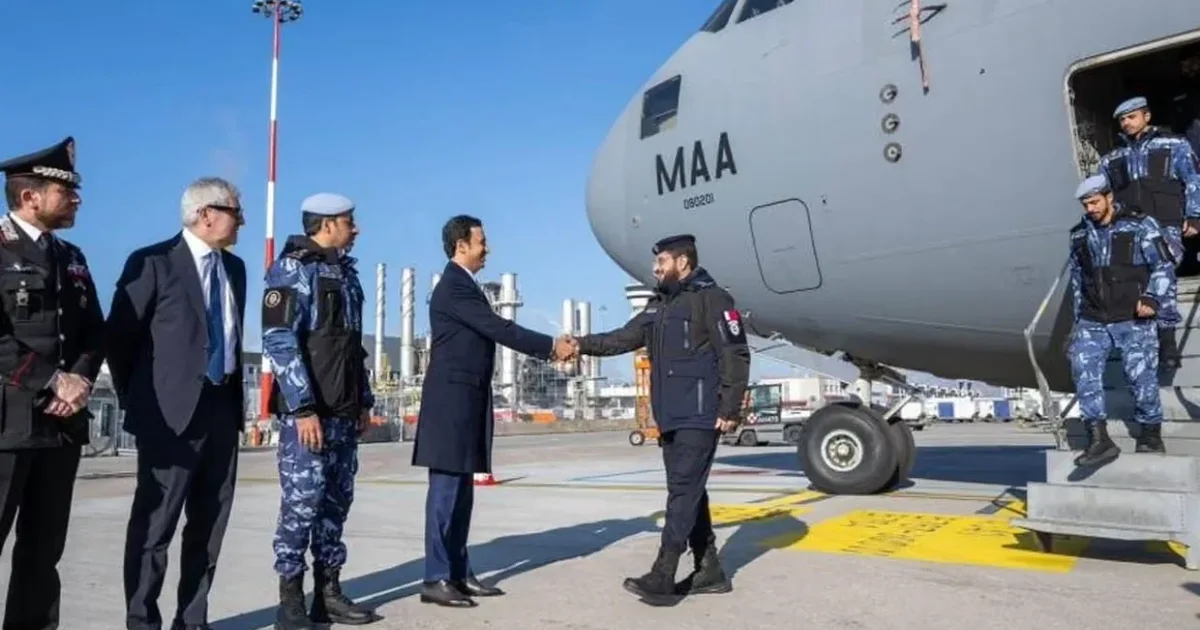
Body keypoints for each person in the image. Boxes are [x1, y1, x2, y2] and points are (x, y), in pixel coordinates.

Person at [562, 234, 750, 605]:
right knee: (688, 491)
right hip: (670, 417)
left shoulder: (713, 299)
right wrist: (579, 343)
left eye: (661, 261)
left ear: (682, 262)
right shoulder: (658, 306)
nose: (655, 268)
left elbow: (736, 353)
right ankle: (709, 570)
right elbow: (622, 338)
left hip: (701, 414)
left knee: (682, 490)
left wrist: (730, 409)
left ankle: (663, 573)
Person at [411, 214, 576, 608]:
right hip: (451, 404)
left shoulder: (466, 286)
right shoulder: (454, 287)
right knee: (446, 493)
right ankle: (436, 576)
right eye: (481, 241)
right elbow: (500, 328)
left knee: (462, 494)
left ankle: (457, 570)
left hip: (467, 401)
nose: (488, 248)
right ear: (460, 245)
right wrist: (552, 346)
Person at [108, 177, 247, 630]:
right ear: (206, 214)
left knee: (209, 524)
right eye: (234, 211)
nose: (241, 220)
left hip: (222, 409)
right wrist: (139, 400)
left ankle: (193, 620)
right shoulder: (153, 262)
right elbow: (121, 339)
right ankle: (141, 620)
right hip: (170, 417)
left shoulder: (236, 270)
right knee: (155, 528)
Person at [261, 193, 380, 629]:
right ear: (327, 225)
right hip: (308, 415)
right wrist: (303, 406)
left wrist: (363, 401)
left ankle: (327, 594)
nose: (357, 228)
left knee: (336, 504)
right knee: (301, 504)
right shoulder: (292, 269)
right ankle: (289, 600)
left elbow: (352, 346)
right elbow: (279, 340)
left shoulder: (346, 275)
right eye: (350, 221)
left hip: (343, 412)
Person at [0, 136, 105, 629]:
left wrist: (79, 380)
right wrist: (50, 382)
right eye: (67, 192)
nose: (78, 200)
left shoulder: (74, 257)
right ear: (29, 197)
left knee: (44, 552)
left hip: (61, 429)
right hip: (7, 426)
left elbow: (92, 332)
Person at [1067, 174, 1174, 467]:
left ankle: (1151, 432)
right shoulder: (1078, 235)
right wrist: (1078, 320)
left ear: (1109, 197)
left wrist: (1153, 298)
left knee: (1141, 378)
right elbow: (1078, 280)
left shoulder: (1140, 226)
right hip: (1093, 319)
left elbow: (1163, 265)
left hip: (1132, 316)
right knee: (1083, 369)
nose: (1090, 209)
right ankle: (1099, 438)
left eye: (1094, 202)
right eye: (1085, 204)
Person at [1097, 96, 1200, 368]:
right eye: (1122, 119)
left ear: (1147, 116)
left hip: (1166, 223)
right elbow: (1104, 195)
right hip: (1132, 228)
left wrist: (1195, 215)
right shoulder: (1112, 160)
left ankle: (1167, 341)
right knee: (1135, 282)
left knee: (1163, 269)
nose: (1127, 123)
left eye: (1132, 117)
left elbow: (1193, 178)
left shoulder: (1173, 145)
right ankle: (1145, 343)